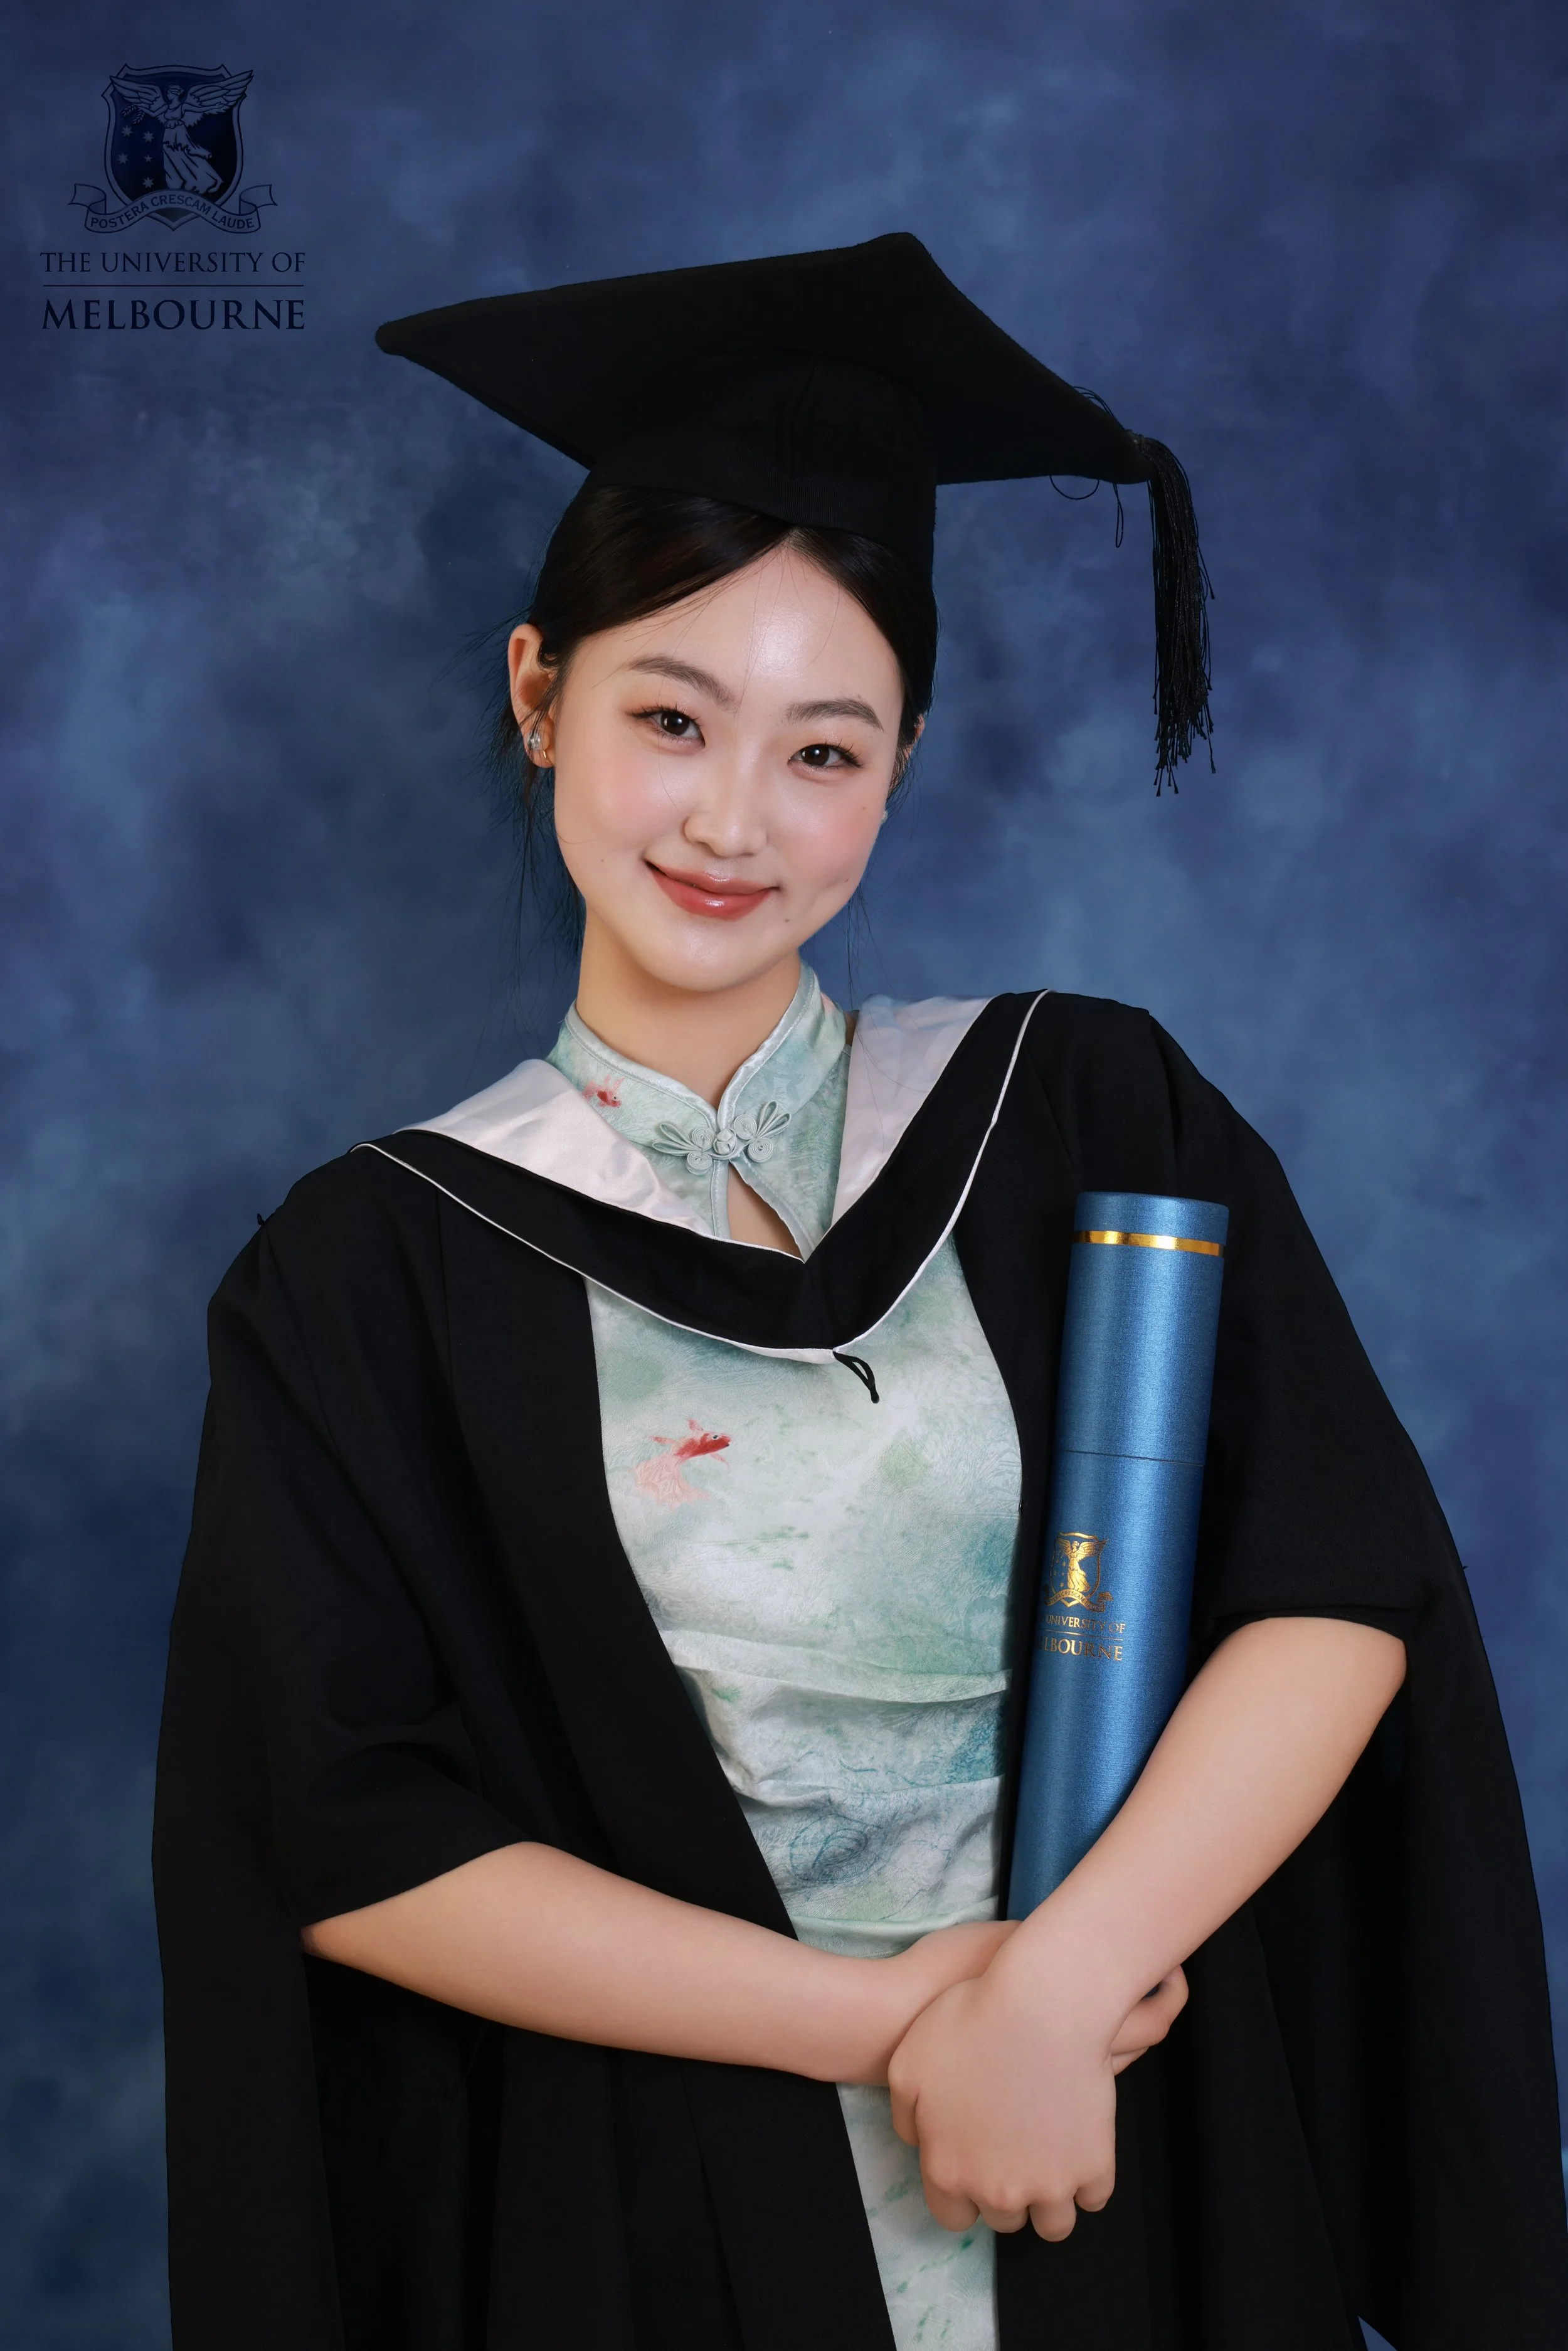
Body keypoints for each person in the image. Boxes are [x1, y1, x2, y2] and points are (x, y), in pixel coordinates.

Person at [154, 235, 1567, 2351]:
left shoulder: (1084, 1108)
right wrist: (893, 2016)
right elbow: (346, 1832)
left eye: (827, 749)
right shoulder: (370, 1269)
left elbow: (1334, 1580)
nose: (736, 818)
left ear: (900, 767)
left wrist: (1065, 1987)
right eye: (669, 716)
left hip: (1122, 2134)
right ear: (538, 693)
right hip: (670, 2220)